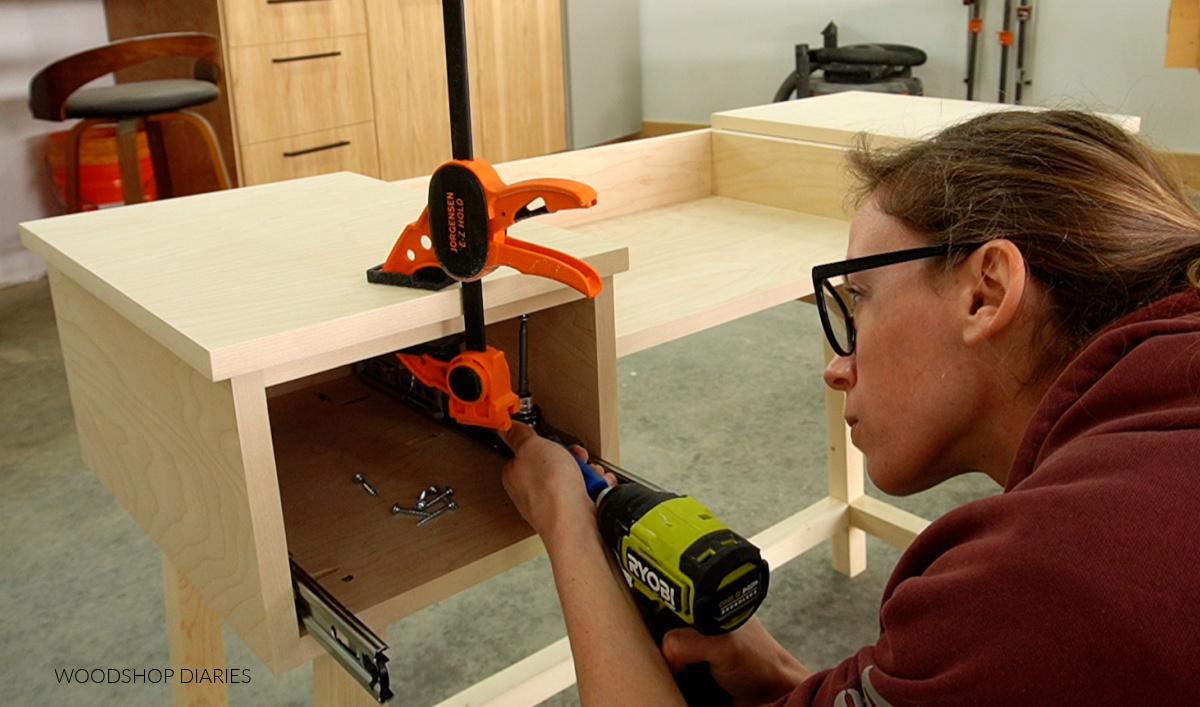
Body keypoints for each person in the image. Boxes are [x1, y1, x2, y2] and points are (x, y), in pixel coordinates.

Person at [499, 109, 1200, 705]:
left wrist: (565, 521)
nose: (836, 369)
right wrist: (799, 681)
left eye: (858, 301)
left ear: (985, 292)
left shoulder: (1033, 581)